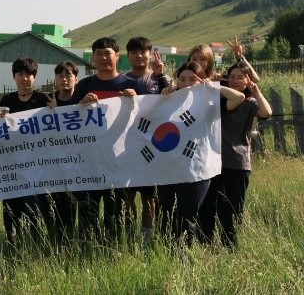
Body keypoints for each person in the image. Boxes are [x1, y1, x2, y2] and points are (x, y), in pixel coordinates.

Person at [70, 37, 147, 244]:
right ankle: (88, 246)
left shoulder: (132, 85)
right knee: (88, 210)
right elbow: (68, 118)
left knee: (115, 211)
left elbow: (148, 118)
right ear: (93, 58)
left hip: (119, 160)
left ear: (117, 57)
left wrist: (137, 101)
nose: (104, 58)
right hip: (89, 161)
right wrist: (80, 104)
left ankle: (112, 248)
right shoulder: (85, 85)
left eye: (108, 53)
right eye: (99, 54)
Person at [158, 62, 245, 247]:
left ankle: (185, 254)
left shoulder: (210, 100)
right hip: (169, 167)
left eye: (192, 79)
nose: (187, 83)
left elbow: (239, 97)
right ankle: (167, 252)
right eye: (182, 79)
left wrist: (214, 87)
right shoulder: (169, 99)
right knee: (166, 213)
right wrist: (164, 94)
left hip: (197, 167)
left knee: (188, 214)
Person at [198, 61, 271, 248]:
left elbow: (266, 113)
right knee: (208, 206)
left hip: (237, 162)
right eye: (232, 77)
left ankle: (229, 246)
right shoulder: (219, 99)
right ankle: (206, 245)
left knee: (231, 208)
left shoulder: (251, 103)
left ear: (248, 80)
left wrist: (256, 91)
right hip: (213, 161)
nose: (235, 80)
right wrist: (214, 83)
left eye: (241, 77)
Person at [0, 55, 50, 245]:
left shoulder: (44, 99)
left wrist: (56, 109)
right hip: (12, 165)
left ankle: (34, 244)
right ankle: (12, 243)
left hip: (36, 165)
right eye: (20, 73)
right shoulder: (7, 99)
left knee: (34, 207)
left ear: (34, 77)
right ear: (14, 76)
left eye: (29, 74)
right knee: (11, 208)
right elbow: (0, 130)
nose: (25, 78)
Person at [123, 37, 171, 248]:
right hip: (127, 147)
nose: (139, 56)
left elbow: (176, 100)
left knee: (150, 198)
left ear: (150, 54)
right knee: (127, 196)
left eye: (143, 52)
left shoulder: (160, 79)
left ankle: (147, 239)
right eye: (134, 52)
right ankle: (129, 236)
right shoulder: (122, 80)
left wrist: (161, 76)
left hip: (155, 147)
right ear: (128, 56)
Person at [42, 61, 79, 244]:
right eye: (60, 76)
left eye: (68, 76)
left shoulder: (81, 100)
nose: (64, 79)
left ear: (75, 79)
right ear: (55, 79)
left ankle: (72, 238)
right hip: (52, 162)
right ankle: (54, 238)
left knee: (73, 203)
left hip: (77, 162)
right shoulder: (47, 100)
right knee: (54, 203)